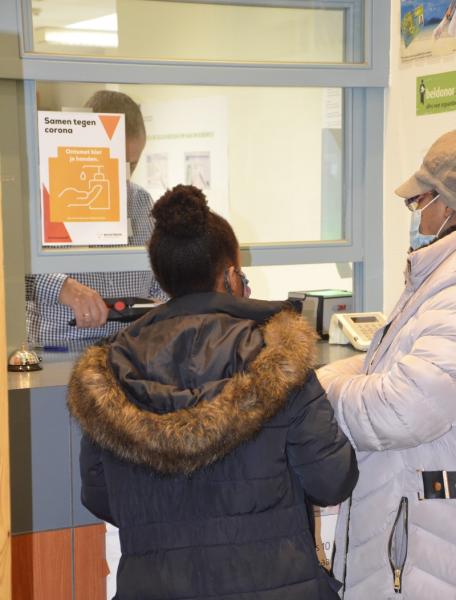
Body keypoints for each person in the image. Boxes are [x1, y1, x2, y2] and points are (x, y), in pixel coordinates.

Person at [68, 184, 358, 600]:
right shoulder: (278, 359)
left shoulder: (110, 370)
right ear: (230, 276)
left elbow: (99, 496)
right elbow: (332, 480)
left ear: (162, 279)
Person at [317, 130, 456, 599]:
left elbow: (404, 407)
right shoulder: (436, 279)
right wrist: (330, 378)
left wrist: (319, 395)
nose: (417, 214)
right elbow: (386, 366)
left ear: (449, 204)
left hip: (423, 539)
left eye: (420, 200)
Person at [26, 90, 166, 347]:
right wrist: (63, 287)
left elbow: (160, 280)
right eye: (115, 162)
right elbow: (13, 275)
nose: (123, 177)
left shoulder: (141, 201)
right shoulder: (39, 199)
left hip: (129, 354)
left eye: (132, 165)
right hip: (59, 353)